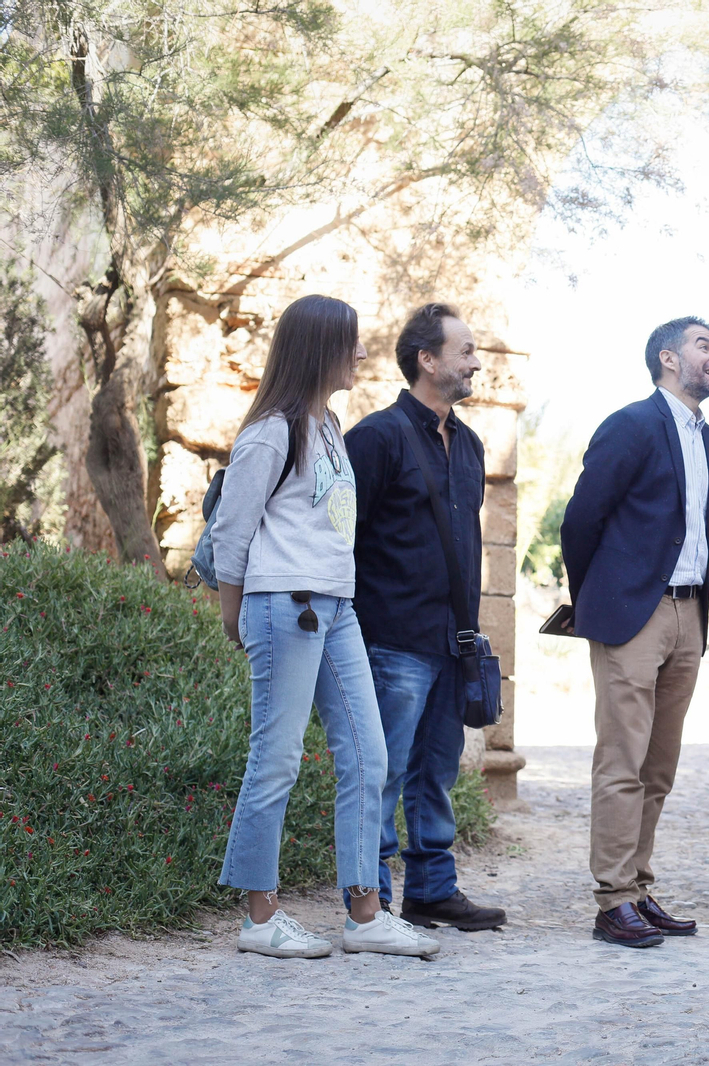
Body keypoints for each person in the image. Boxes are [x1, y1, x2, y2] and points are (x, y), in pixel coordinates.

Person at [213, 293, 439, 959]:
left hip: (337, 608)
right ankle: (260, 918)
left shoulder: (330, 426)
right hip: (284, 605)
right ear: (319, 349)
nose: (362, 353)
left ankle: (365, 916)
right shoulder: (270, 433)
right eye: (351, 342)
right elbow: (231, 532)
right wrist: (234, 616)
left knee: (369, 755)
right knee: (277, 758)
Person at [559, 316, 709, 948]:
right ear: (668, 358)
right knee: (622, 761)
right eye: (704, 345)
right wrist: (598, 599)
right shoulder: (630, 424)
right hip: (634, 614)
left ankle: (638, 887)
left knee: (659, 766)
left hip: (689, 613)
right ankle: (612, 900)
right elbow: (582, 520)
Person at [343, 302, 506, 932]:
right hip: (392, 638)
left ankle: (433, 890)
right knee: (382, 775)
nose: (475, 362)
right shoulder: (376, 438)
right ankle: (374, 902)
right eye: (465, 351)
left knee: (436, 773)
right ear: (427, 360)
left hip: (454, 641)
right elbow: (342, 539)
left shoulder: (470, 443)